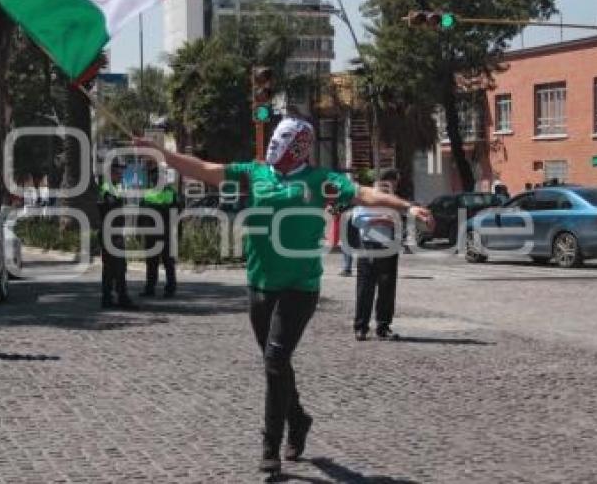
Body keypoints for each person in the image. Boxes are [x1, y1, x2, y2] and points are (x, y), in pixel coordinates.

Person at [132, 117, 433, 473]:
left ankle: (270, 446)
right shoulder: (255, 173)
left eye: (283, 141)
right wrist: (162, 153)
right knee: (276, 364)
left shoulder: (320, 180)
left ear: (299, 147)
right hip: (260, 283)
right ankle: (299, 418)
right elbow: (204, 169)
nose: (275, 147)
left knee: (275, 360)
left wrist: (406, 207)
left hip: (300, 286)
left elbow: (364, 193)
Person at [352, 169, 405, 342]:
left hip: (388, 246)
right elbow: (356, 219)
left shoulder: (393, 200)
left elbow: (400, 219)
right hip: (368, 246)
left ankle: (383, 326)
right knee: (365, 289)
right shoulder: (368, 197)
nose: (394, 186)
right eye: (393, 182)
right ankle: (361, 327)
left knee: (387, 289)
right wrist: (377, 220)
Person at [97, 162, 138, 310]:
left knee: (110, 268)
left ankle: (108, 299)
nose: (121, 176)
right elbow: (111, 211)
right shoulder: (108, 190)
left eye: (121, 173)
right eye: (118, 173)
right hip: (111, 233)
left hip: (111, 232)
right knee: (119, 267)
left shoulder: (111, 189)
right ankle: (122, 298)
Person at [139, 164, 180, 298]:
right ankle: (158, 288)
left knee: (164, 262)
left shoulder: (165, 194)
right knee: (156, 262)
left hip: (160, 234)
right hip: (160, 234)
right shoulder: (165, 194)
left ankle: (164, 288)